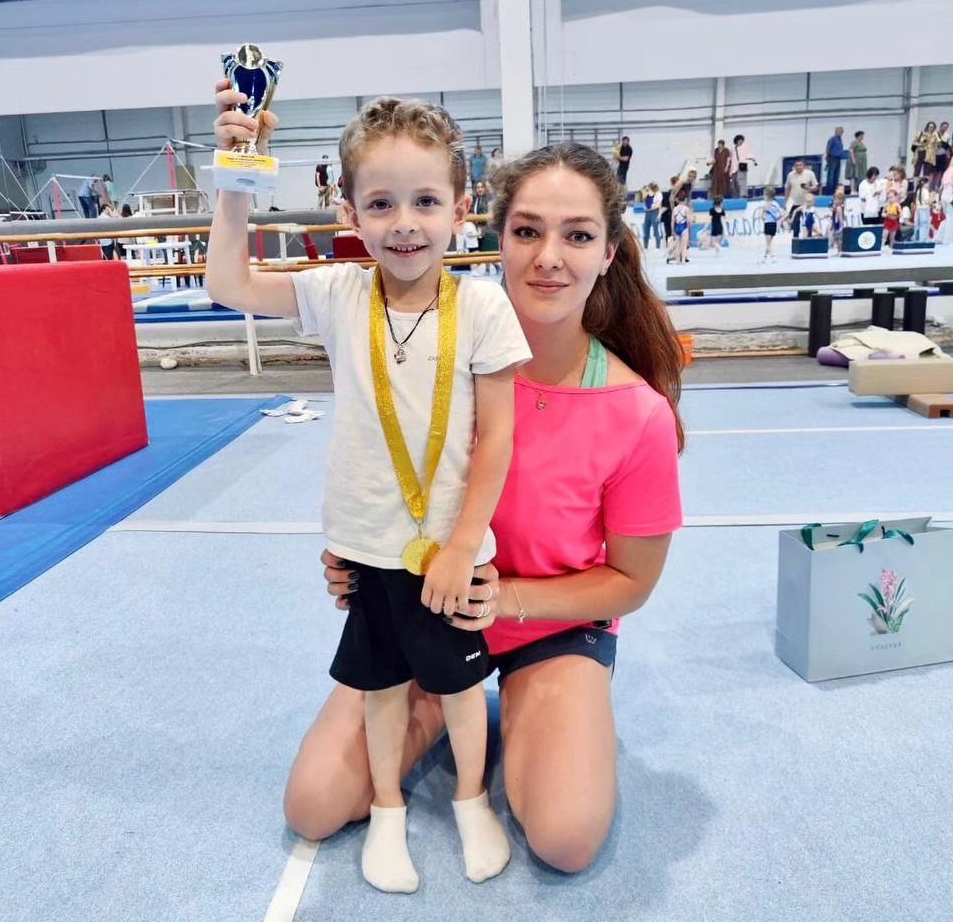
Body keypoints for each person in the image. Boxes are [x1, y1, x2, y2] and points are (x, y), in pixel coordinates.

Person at [286, 142, 684, 876]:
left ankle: (544, 711)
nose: (548, 257)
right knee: (313, 803)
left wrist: (504, 601)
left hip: (549, 628)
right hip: (424, 610)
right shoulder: (424, 359)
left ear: (609, 253)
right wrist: (358, 557)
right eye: (527, 231)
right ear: (495, 237)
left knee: (565, 837)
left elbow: (632, 582)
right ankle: (455, 709)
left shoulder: (637, 413)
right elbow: (382, 476)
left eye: (578, 235)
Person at [208, 86, 533, 893]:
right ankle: (387, 805)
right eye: (381, 203)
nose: (404, 223)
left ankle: (469, 797)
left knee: (461, 685)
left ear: (461, 208)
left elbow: (499, 438)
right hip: (365, 546)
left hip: (451, 551)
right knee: (381, 687)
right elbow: (229, 284)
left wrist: (463, 545)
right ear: (349, 211)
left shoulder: (483, 306)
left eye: (425, 201)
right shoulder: (339, 295)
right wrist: (237, 171)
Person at [784, 159, 819, 237]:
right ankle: (795, 239)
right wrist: (786, 201)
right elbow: (787, 188)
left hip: (806, 204)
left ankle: (808, 238)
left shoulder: (810, 174)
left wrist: (809, 188)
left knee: (808, 223)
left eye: (800, 165)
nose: (798, 167)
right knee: (795, 224)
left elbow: (816, 187)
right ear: (794, 166)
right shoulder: (790, 175)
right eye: (796, 165)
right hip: (794, 203)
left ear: (804, 166)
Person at [760, 186, 784, 263]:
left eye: (764, 195)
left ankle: (773, 257)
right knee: (769, 242)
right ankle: (765, 257)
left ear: (767, 196)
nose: (763, 196)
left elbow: (762, 216)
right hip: (774, 225)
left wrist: (764, 217)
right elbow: (780, 214)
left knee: (768, 243)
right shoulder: (776, 204)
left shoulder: (765, 205)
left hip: (768, 224)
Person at [729, 134, 756, 198]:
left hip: (742, 166)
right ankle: (735, 196)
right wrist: (730, 170)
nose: (741, 142)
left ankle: (743, 195)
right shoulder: (732, 148)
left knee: (742, 182)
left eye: (742, 141)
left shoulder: (745, 147)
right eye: (740, 140)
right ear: (737, 140)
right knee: (734, 182)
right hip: (734, 168)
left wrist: (753, 159)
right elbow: (730, 158)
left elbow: (750, 154)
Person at [669, 195, 692, 264]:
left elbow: (672, 221)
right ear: (685, 200)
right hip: (684, 227)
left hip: (677, 227)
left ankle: (678, 261)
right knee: (684, 246)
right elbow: (688, 221)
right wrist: (689, 229)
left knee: (677, 246)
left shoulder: (674, 209)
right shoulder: (686, 209)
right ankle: (683, 261)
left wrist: (672, 231)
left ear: (677, 200)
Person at [641, 181, 663, 250]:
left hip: (654, 212)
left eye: (649, 187)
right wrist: (645, 193)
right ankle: (645, 246)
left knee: (655, 230)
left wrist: (659, 214)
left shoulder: (658, 194)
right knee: (646, 229)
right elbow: (644, 200)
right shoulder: (647, 193)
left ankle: (658, 247)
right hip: (647, 212)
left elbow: (658, 205)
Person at [824, 126, 845, 195]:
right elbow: (828, 149)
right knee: (831, 176)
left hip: (838, 159)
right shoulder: (832, 139)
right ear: (836, 131)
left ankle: (834, 191)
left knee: (836, 176)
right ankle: (829, 192)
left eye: (842, 132)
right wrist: (827, 158)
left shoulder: (840, 140)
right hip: (832, 158)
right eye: (840, 131)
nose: (841, 133)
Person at [933, 122, 951, 192]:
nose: (944, 128)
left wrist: (948, 155)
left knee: (940, 171)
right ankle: (931, 184)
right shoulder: (935, 134)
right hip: (934, 155)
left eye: (946, 127)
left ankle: (936, 185)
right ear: (940, 126)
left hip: (942, 155)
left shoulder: (947, 136)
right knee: (933, 171)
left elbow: (948, 146)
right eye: (943, 127)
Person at [913, 177, 932, 242]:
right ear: (925, 183)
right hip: (924, 208)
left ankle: (917, 237)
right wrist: (932, 202)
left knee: (918, 223)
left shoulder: (918, 190)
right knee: (924, 223)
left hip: (918, 208)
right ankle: (923, 238)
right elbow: (927, 201)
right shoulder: (925, 191)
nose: (928, 185)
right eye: (928, 183)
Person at [830, 188, 846, 254]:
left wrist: (841, 226)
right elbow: (833, 217)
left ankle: (840, 250)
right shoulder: (835, 207)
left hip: (838, 224)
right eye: (834, 199)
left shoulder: (839, 208)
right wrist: (832, 225)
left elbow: (840, 217)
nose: (834, 201)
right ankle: (838, 250)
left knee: (839, 238)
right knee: (836, 238)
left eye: (836, 200)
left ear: (840, 200)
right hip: (835, 223)